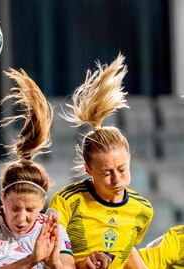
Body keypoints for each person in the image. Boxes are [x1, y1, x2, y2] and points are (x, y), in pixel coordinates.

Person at [47, 54, 154, 269]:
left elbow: (126, 248)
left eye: (122, 169)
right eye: (106, 173)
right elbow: (52, 258)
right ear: (89, 170)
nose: (117, 179)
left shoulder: (142, 210)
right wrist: (81, 264)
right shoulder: (67, 201)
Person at [0, 68, 75, 269]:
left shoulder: (51, 229)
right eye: (15, 208)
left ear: (43, 203)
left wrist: (55, 262)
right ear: (3, 196)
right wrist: (31, 259)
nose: (22, 218)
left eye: (31, 209)